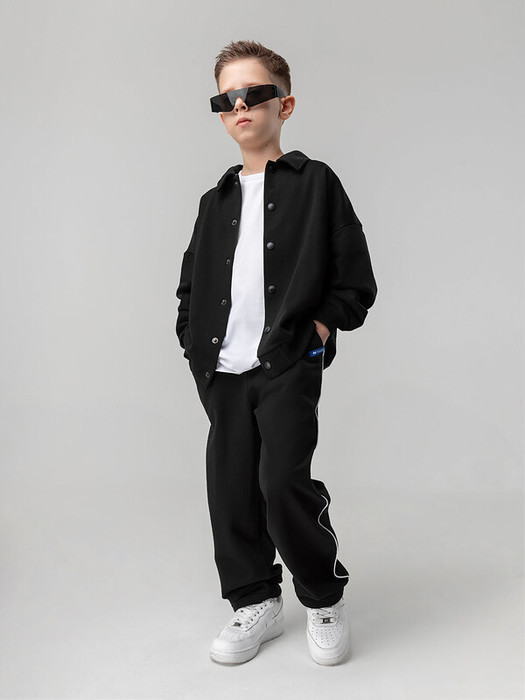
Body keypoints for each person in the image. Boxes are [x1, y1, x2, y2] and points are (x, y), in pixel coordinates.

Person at [175, 39, 377, 666]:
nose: (239, 106)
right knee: (231, 487)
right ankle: (254, 599)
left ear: (283, 104)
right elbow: (190, 286)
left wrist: (317, 333)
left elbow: (355, 280)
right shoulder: (215, 202)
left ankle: (322, 595)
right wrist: (194, 344)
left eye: (253, 93)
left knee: (282, 481)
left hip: (288, 360)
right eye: (225, 99)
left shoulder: (316, 183)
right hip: (223, 370)